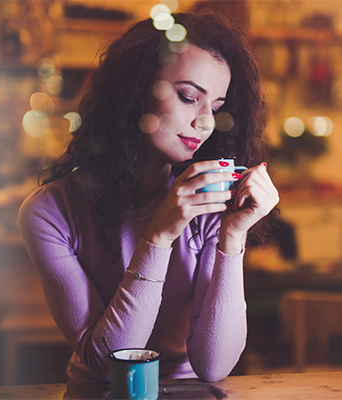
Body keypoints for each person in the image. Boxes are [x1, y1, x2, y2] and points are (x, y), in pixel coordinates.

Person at [18, 11, 279, 383]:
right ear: (135, 90)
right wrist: (158, 237)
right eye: (189, 97)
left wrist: (232, 238)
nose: (205, 122)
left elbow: (215, 367)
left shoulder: (207, 202)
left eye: (217, 107)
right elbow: (108, 365)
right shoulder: (50, 211)